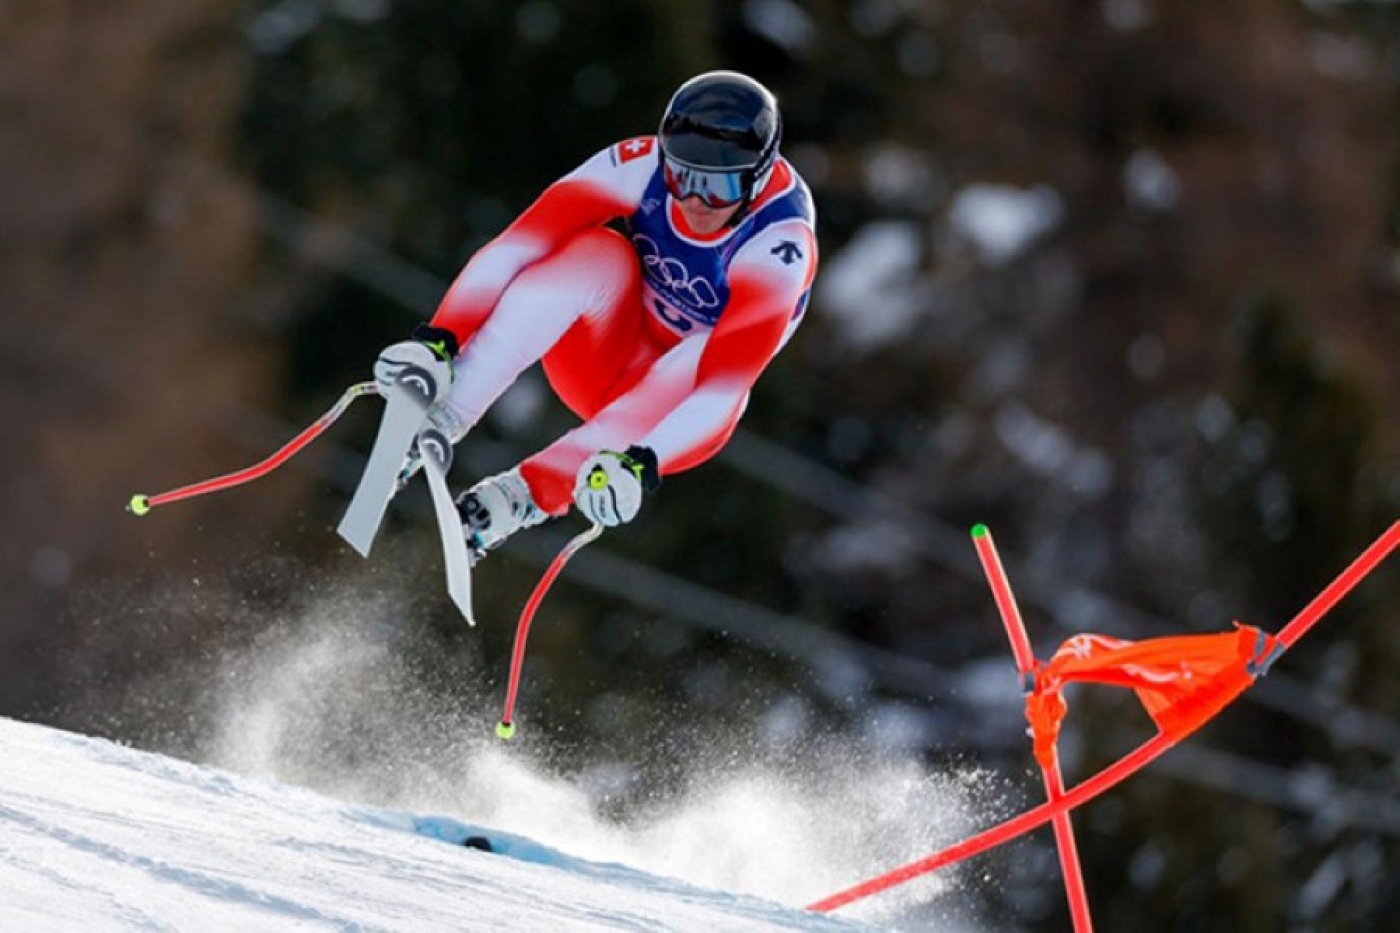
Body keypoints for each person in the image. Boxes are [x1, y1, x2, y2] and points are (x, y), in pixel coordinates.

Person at [372, 70, 818, 560]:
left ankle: (518, 498)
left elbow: (721, 389)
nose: (694, 201)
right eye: (682, 175)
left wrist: (641, 465)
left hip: (666, 418)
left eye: (719, 187)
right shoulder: (640, 165)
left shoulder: (778, 243)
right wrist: (439, 338)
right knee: (596, 252)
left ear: (756, 180)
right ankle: (442, 414)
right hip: (599, 358)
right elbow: (517, 245)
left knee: (702, 356)